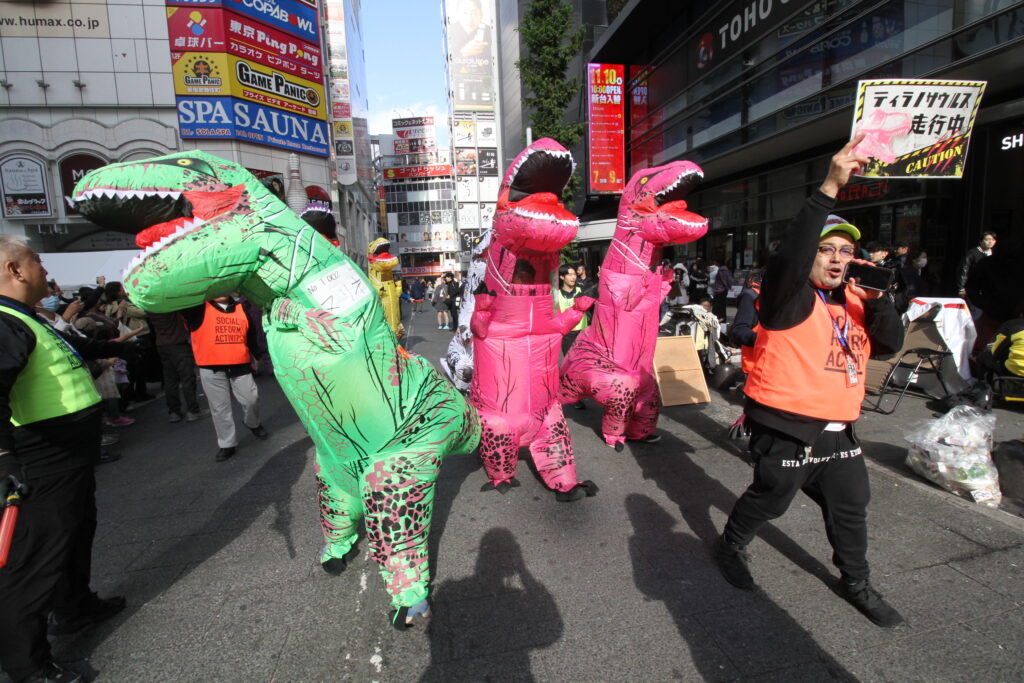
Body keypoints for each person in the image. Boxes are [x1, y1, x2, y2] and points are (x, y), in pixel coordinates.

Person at [715, 136, 906, 628]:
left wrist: (883, 299)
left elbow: (889, 343)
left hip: (839, 431)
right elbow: (789, 261)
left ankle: (856, 582)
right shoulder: (788, 297)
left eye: (846, 251)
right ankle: (729, 546)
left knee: (851, 509)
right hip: (785, 428)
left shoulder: (859, 301)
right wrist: (829, 186)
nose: (837, 259)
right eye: (826, 250)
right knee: (771, 499)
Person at [0, 236, 131, 683]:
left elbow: (63, 358)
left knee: (75, 532)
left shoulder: (25, 317)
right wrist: (3, 458)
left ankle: (75, 606)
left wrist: (118, 348)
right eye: (36, 261)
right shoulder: (3, 322)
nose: (45, 271)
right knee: (36, 559)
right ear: (14, 270)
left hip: (69, 456)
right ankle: (26, 666)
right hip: (41, 460)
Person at [184, 296, 269, 462]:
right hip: (211, 367)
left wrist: (257, 356)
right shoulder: (197, 308)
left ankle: (253, 423)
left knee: (251, 399)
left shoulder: (241, 308)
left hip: (240, 364)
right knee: (220, 408)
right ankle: (227, 443)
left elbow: (251, 334)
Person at [149, 310, 205, 423]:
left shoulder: (150, 306)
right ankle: (193, 410)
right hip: (177, 343)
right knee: (187, 378)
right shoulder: (170, 304)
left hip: (162, 344)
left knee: (170, 379)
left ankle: (174, 411)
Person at [956, 231, 996, 305]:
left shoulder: (995, 254)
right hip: (974, 288)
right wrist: (961, 287)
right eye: (987, 239)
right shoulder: (972, 253)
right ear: (980, 241)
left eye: (993, 239)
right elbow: (964, 270)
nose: (990, 242)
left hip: (989, 289)